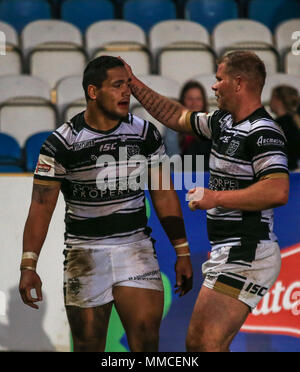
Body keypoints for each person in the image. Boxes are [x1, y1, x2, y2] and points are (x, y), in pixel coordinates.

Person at [18, 56, 193, 352]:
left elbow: (164, 194)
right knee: (88, 346)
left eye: (128, 84)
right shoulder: (62, 143)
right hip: (84, 253)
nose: (127, 92)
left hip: (135, 249)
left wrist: (182, 251)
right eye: (117, 85)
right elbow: (41, 207)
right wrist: (28, 265)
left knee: (146, 342)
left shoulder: (144, 133)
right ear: (93, 92)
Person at [120, 51, 290, 352]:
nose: (214, 86)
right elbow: (176, 116)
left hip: (246, 254)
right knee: (209, 345)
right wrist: (133, 83)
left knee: (202, 344)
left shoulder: (264, 131)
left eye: (219, 79)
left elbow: (277, 190)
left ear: (238, 83)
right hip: (232, 250)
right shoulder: (223, 122)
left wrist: (215, 197)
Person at [179, 81, 211, 171]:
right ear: (182, 100)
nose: (194, 103)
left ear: (203, 101)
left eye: (198, 99)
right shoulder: (171, 127)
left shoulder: (212, 124)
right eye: (190, 99)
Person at [270, 85, 300, 170]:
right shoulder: (294, 121)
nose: (270, 101)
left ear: (277, 99)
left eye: (272, 97)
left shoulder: (278, 125)